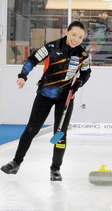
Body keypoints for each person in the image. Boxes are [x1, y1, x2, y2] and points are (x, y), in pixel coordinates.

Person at [1, 21, 92, 181]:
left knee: (60, 135)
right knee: (31, 129)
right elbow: (32, 59)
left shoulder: (83, 56)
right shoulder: (51, 47)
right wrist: (23, 75)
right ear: (67, 32)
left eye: (80, 37)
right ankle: (16, 163)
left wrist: (79, 83)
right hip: (45, 94)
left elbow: (86, 73)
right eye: (74, 34)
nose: (76, 39)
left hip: (65, 98)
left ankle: (55, 169)